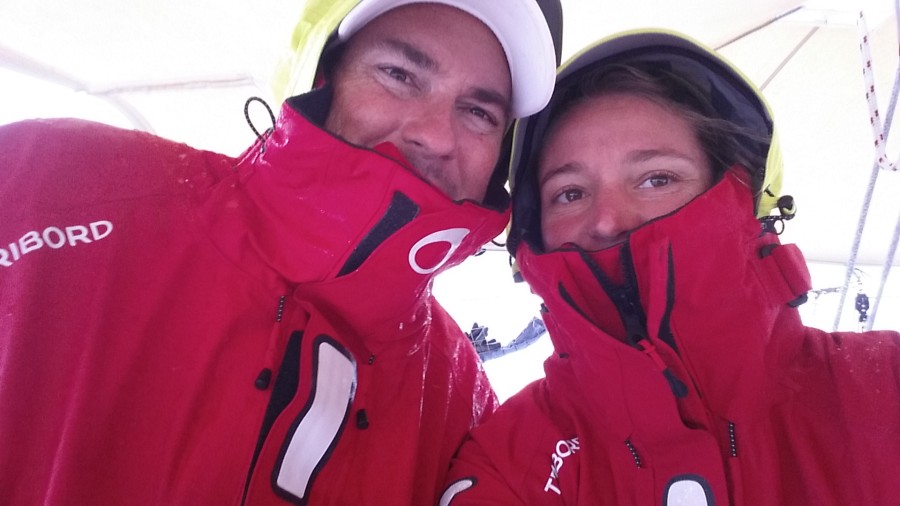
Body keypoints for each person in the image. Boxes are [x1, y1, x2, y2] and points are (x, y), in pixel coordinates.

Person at [0, 1, 560, 504]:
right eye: (399, 75)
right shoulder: (50, 182)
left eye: (479, 112)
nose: (436, 135)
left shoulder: (459, 400)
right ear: (320, 75)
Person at [441, 29, 900, 505]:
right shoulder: (510, 465)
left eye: (656, 179)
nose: (607, 219)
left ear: (739, 194)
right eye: (570, 193)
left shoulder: (885, 386)